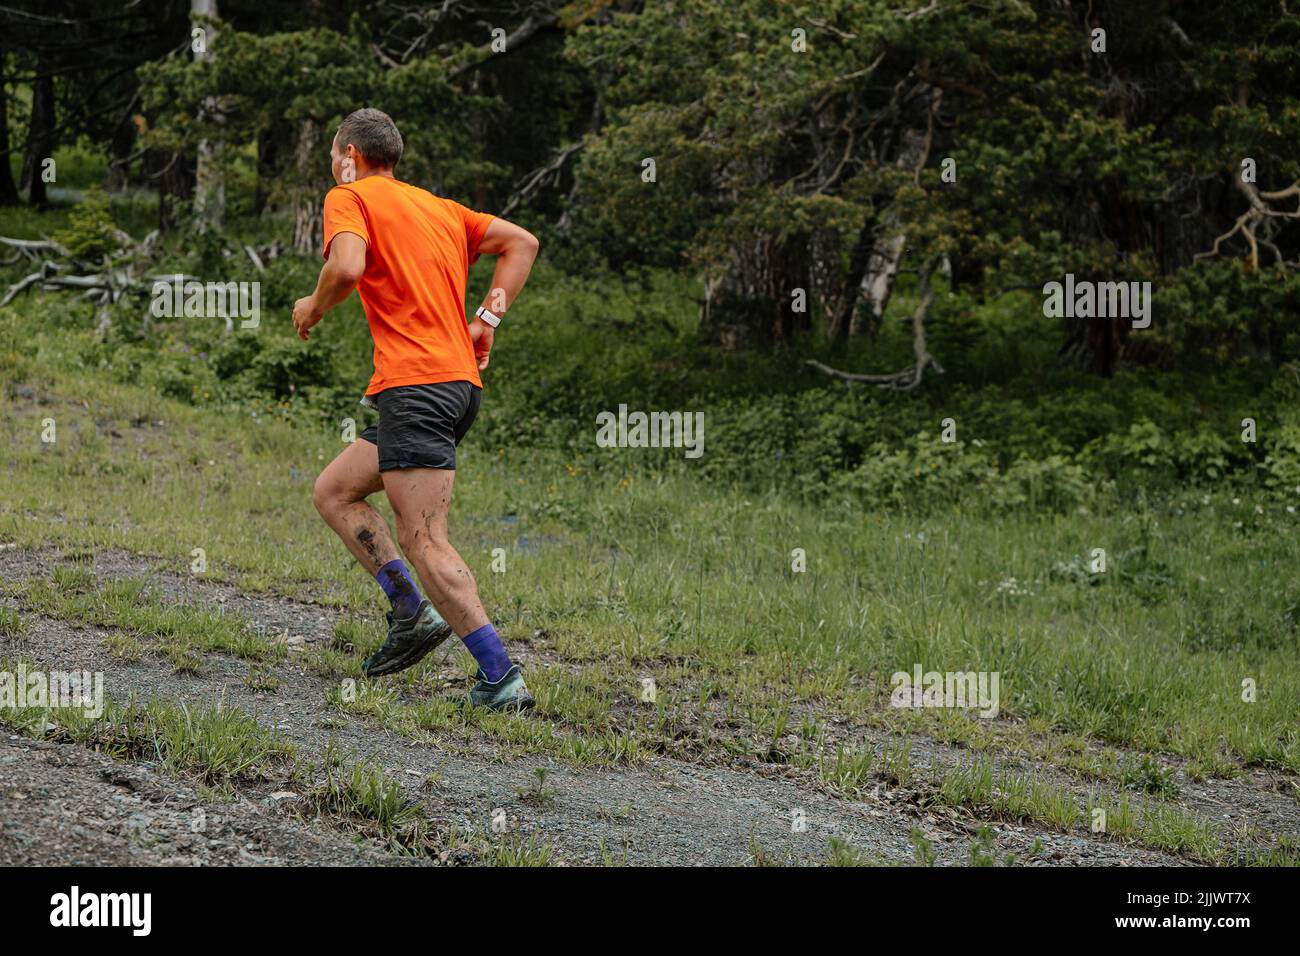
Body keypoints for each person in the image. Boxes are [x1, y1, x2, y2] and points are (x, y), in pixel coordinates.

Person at [291, 107, 538, 711]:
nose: (333, 164)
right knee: (335, 491)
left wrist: (312, 307)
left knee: (425, 537)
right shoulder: (441, 208)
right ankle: (410, 611)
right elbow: (521, 243)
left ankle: (501, 678)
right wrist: (488, 318)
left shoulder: (349, 197)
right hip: (450, 387)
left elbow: (346, 267)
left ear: (349, 155)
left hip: (418, 388)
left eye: (333, 154)